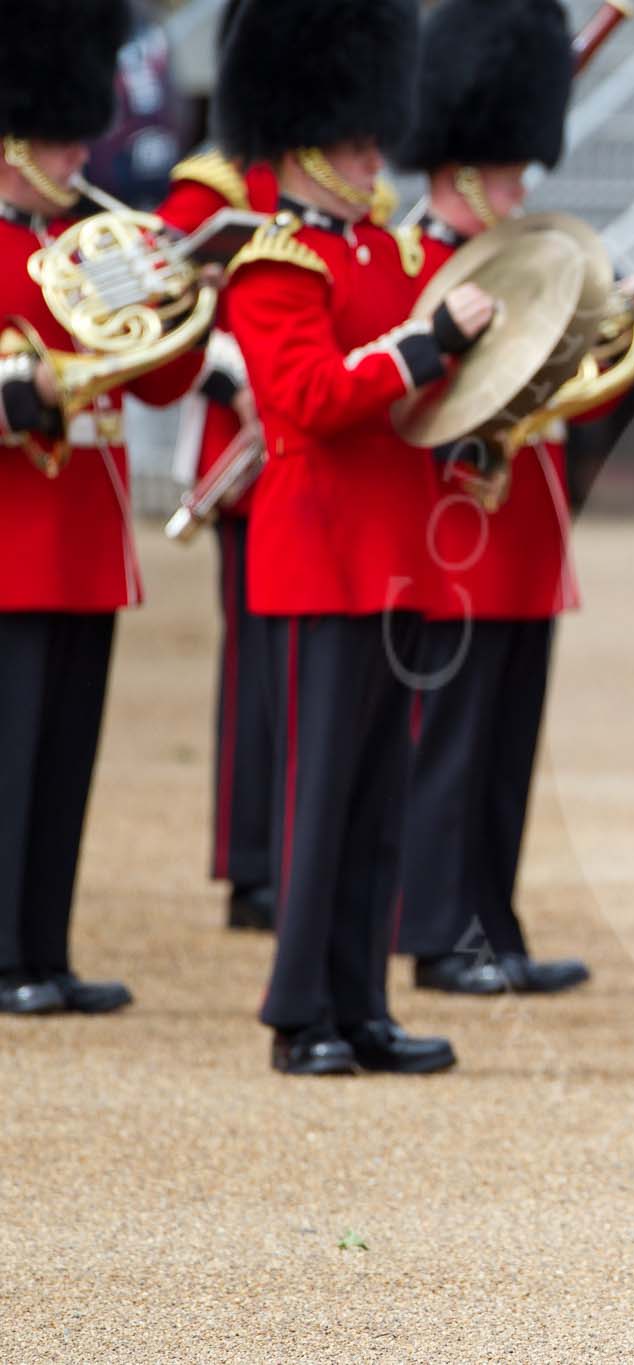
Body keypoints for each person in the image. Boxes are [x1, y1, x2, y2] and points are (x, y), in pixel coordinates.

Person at [217, 0, 489, 1077]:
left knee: (377, 798)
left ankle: (361, 1002)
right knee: (319, 799)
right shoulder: (276, 264)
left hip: (399, 550)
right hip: (319, 554)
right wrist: (426, 345)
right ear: (301, 144)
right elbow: (311, 397)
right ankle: (299, 1011)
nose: (374, 154)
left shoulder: (385, 249)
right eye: (355, 138)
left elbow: (423, 391)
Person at [387, 0, 594, 999]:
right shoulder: (414, 266)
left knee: (505, 748)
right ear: (462, 172)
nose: (517, 192)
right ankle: (436, 928)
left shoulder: (521, 263)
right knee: (451, 745)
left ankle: (493, 923)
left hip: (522, 529)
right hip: (452, 530)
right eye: (505, 174)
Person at [0, 0, 203, 1017]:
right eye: (56, 134)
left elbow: (163, 383)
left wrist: (179, 300)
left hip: (82, 529)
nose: (78, 150)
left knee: (63, 758)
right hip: (12, 535)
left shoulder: (95, 238)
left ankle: (43, 946)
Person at [154, 0, 280, 936]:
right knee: (260, 670)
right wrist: (235, 369)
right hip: (247, 459)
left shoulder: (338, 188)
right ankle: (251, 859)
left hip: (322, 451)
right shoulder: (212, 186)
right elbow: (157, 313)